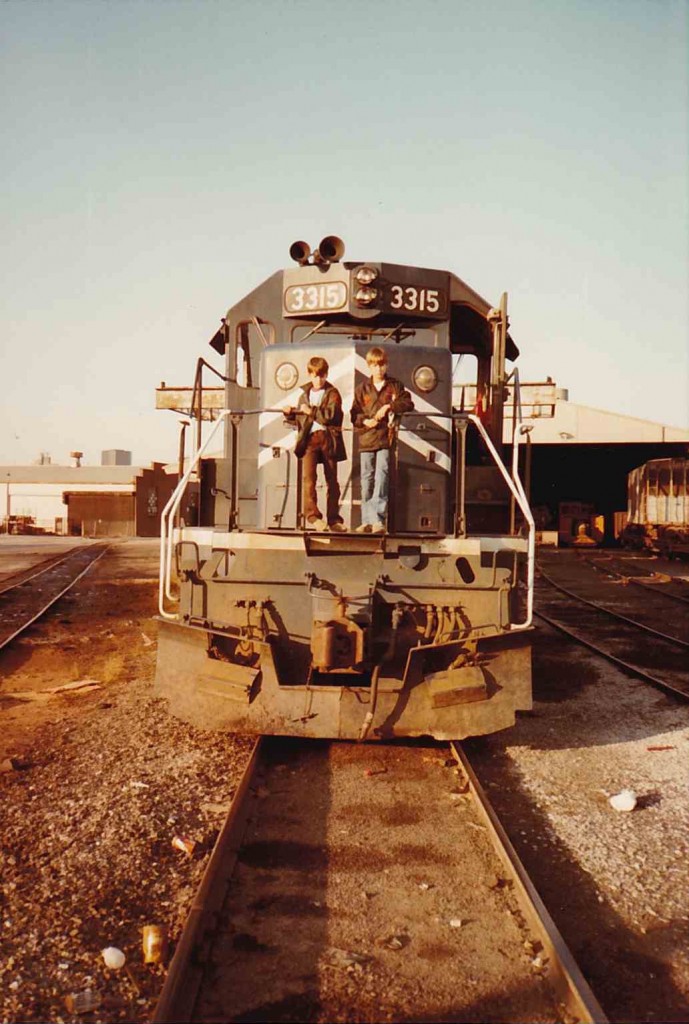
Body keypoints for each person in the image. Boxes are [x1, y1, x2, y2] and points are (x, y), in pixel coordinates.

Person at [350, 346, 414, 533]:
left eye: (382, 365)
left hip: (386, 439)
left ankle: (378, 520)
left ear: (386, 365)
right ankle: (366, 521)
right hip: (366, 440)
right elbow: (354, 414)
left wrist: (389, 406)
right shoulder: (362, 389)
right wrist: (365, 421)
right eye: (375, 365)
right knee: (367, 480)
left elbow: (408, 403)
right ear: (369, 366)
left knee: (382, 477)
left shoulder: (395, 386)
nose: (378, 369)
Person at [283, 356, 346, 532]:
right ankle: (313, 517)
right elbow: (298, 420)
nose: (318, 379)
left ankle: (334, 520)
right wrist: (289, 414)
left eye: (322, 375)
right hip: (309, 441)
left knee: (332, 481)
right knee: (309, 479)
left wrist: (311, 411)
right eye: (315, 375)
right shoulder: (304, 394)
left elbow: (331, 416)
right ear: (309, 375)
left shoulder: (333, 393)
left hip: (328, 440)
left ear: (326, 375)